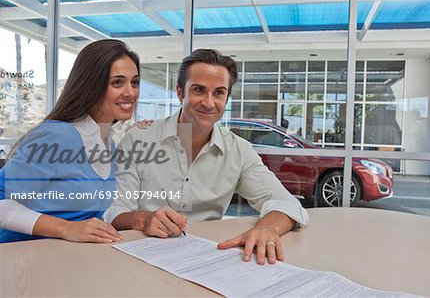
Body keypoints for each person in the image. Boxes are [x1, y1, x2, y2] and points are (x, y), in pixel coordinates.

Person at [104, 49, 308, 265]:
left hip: (207, 260)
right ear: (180, 93)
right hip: (142, 256)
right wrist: (144, 219)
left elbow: (286, 203)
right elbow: (115, 211)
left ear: (226, 98)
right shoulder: (139, 138)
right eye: (199, 90)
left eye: (218, 92)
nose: (209, 103)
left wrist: (266, 228)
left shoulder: (239, 151)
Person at [0, 39, 140, 243]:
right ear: (92, 85)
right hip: (19, 259)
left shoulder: (108, 142)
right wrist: (66, 229)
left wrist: (139, 219)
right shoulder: (57, 136)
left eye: (134, 82)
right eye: (117, 82)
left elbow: (93, 210)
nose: (130, 92)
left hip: (65, 258)